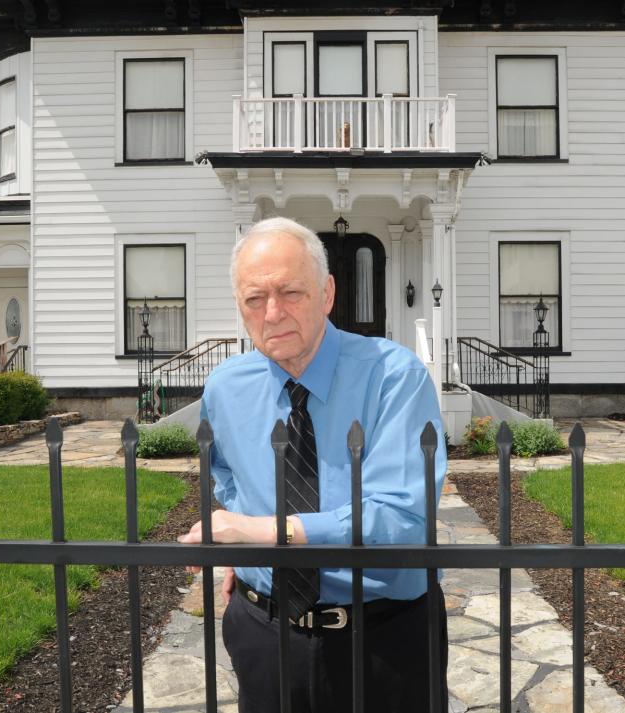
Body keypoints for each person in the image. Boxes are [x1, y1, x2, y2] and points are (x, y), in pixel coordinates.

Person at [178, 216, 448, 713]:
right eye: (254, 299)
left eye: (290, 292)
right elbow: (225, 472)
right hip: (263, 632)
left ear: (327, 294)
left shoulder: (394, 376)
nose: (273, 313)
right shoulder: (225, 387)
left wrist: (260, 532)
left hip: (384, 635)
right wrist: (248, 551)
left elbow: (405, 517)